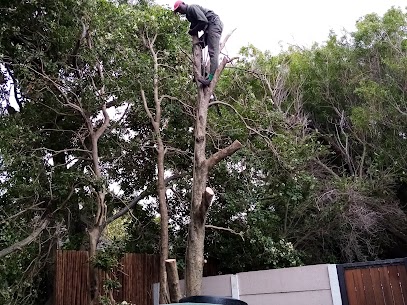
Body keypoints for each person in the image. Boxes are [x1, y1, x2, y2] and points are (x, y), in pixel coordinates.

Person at [173, 1, 223, 86]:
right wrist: (192, 30)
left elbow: (203, 21)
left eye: (179, 8)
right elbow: (194, 25)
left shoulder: (192, 8)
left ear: (183, 4)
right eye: (178, 11)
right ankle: (203, 72)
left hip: (214, 24)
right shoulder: (189, 16)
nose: (179, 11)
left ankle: (210, 79)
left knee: (213, 52)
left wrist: (193, 30)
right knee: (197, 47)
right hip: (208, 28)